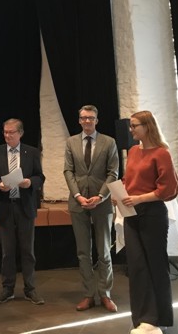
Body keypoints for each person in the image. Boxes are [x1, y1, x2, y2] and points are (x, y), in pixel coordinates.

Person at [121, 111, 178, 334]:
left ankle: (156, 319)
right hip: (131, 212)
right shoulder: (133, 151)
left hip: (152, 214)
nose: (131, 130)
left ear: (147, 126)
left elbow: (168, 189)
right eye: (131, 126)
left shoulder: (161, 153)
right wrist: (120, 193)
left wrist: (140, 198)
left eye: (134, 125)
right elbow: (128, 180)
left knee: (155, 265)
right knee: (137, 266)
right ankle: (144, 318)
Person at [63, 105, 119, 313]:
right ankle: (88, 294)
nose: (87, 121)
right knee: (83, 252)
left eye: (91, 118)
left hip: (101, 203)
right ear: (79, 120)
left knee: (104, 251)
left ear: (97, 120)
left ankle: (105, 294)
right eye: (84, 118)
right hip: (78, 203)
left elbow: (113, 173)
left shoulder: (109, 142)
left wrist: (101, 196)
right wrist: (78, 196)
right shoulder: (71, 142)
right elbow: (68, 171)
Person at [0, 118, 46, 305]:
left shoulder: (31, 152)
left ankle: (30, 289)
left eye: (11, 132)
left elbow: (40, 176)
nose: (7, 135)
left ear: (21, 133)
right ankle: (8, 289)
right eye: (5, 132)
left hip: (24, 206)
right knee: (7, 252)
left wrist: (30, 182)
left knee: (28, 251)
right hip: (4, 206)